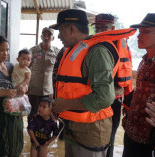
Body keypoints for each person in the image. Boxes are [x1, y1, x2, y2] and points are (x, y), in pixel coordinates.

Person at [50, 9, 135, 157]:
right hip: (74, 127)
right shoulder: (73, 50)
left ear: (71, 29)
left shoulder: (97, 51)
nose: (58, 35)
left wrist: (65, 105)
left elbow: (104, 97)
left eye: (60, 30)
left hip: (91, 131)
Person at [92, 13, 133, 157]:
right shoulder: (91, 45)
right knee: (94, 135)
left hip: (116, 99)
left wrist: (127, 103)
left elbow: (127, 70)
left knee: (110, 136)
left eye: (104, 27)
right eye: (98, 28)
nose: (101, 31)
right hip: (95, 99)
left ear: (113, 28)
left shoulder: (124, 46)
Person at [122, 13, 155, 157]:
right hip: (131, 133)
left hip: (148, 141)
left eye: (145, 32)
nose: (139, 36)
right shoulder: (144, 61)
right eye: (139, 32)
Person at [28, 27, 60, 122]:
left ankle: (46, 136)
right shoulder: (33, 51)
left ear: (53, 38)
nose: (46, 37)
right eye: (44, 35)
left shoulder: (57, 52)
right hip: (34, 90)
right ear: (41, 37)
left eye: (49, 35)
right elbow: (26, 68)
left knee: (47, 116)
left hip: (49, 91)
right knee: (33, 114)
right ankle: (32, 135)